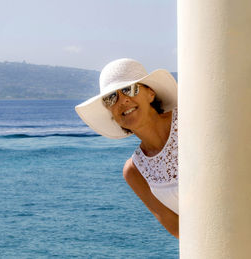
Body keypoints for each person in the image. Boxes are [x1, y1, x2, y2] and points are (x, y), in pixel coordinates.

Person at [75, 58, 178, 238]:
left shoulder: (192, 119)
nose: (122, 101)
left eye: (129, 89)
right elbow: (177, 229)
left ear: (150, 93)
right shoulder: (135, 171)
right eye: (111, 98)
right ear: (111, 112)